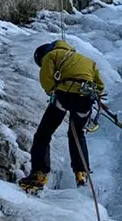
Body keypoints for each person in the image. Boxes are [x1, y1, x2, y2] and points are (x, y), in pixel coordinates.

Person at [18, 40, 106, 193]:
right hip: (85, 101)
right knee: (77, 134)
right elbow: (100, 86)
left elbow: (46, 79)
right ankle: (81, 172)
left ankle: (39, 174)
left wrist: (53, 90)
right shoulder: (88, 61)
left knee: (43, 134)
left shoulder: (51, 55)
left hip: (63, 96)